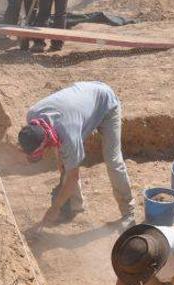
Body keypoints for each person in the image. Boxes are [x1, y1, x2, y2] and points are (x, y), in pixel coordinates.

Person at [18, 82, 136, 229]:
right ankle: (76, 205)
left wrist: (54, 208)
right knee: (63, 161)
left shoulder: (68, 136)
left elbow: (73, 176)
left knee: (113, 160)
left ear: (44, 142)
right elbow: (61, 155)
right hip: (85, 99)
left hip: (106, 103)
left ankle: (129, 213)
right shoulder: (33, 114)